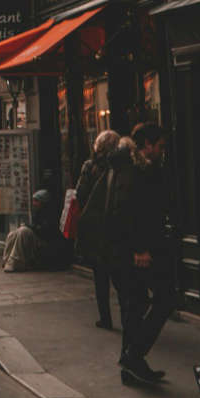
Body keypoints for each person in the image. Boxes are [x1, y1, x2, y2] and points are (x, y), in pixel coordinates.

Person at [113, 122, 173, 386]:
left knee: (134, 307)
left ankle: (131, 364)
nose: (162, 151)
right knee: (163, 299)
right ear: (147, 145)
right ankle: (133, 356)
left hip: (138, 248)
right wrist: (140, 248)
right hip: (138, 250)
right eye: (160, 146)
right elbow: (128, 210)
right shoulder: (133, 170)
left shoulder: (138, 167)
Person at [74, 129, 122, 329]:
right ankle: (128, 315)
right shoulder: (119, 166)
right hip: (115, 225)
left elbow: (79, 194)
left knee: (100, 276)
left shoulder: (90, 166)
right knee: (120, 275)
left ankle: (106, 318)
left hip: (95, 228)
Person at [2, 189, 73, 272]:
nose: (34, 203)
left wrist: (30, 227)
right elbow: (36, 226)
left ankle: (16, 262)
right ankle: (7, 260)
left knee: (23, 231)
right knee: (13, 233)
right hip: (39, 238)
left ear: (43, 202)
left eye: (36, 201)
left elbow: (46, 231)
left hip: (47, 243)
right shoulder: (38, 212)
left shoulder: (52, 213)